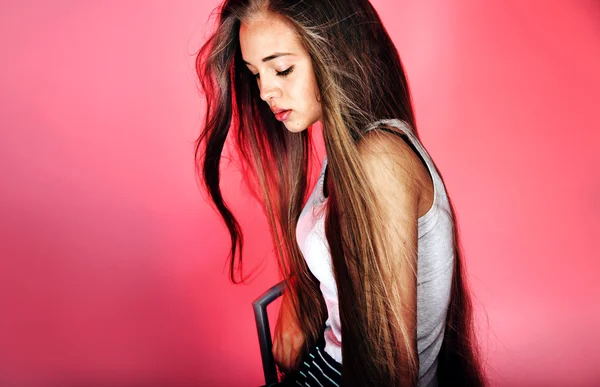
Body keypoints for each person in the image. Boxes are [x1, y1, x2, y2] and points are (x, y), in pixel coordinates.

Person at [194, 0, 486, 386]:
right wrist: (303, 288)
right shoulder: (344, 160)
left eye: (282, 68)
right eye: (255, 74)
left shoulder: (379, 160)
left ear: (334, 52)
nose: (265, 91)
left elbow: (390, 372)